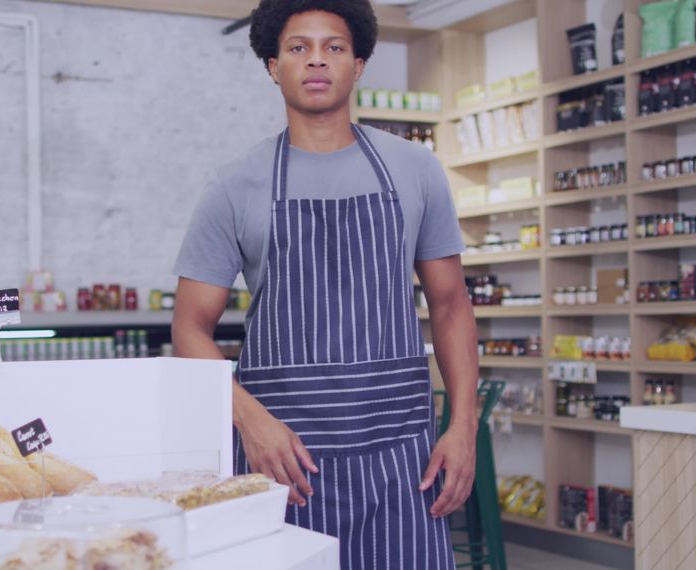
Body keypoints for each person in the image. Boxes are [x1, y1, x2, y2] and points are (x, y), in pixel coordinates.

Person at [172, 1, 479, 567]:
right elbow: (189, 330)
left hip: (400, 457)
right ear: (273, 66)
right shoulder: (234, 185)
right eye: (298, 47)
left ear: (357, 65)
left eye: (334, 47)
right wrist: (249, 420)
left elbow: (451, 305)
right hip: (284, 457)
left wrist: (463, 426)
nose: (317, 60)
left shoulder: (415, 170)